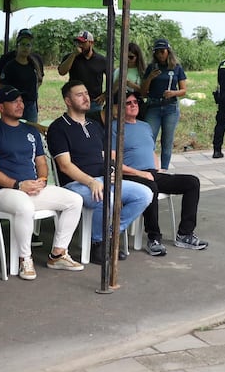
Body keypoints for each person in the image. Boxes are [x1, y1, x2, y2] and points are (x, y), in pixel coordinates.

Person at [0, 86, 85, 280]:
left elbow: (41, 162)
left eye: (21, 101)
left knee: (75, 200)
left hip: (33, 189)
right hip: (4, 192)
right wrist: (18, 185)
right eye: (14, 101)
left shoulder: (30, 131)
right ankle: (25, 259)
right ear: (0, 107)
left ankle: (58, 254)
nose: (20, 105)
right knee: (25, 206)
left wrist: (42, 180)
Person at [45, 81, 151, 265]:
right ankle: (97, 244)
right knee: (105, 198)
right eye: (79, 95)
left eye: (86, 93)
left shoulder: (94, 126)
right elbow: (65, 166)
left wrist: (111, 171)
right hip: (75, 184)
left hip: (102, 179)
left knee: (144, 194)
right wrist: (90, 182)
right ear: (68, 101)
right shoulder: (58, 127)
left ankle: (108, 235)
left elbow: (104, 157)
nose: (86, 98)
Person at [115, 91, 208, 254]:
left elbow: (151, 151)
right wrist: (140, 173)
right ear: (119, 107)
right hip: (131, 175)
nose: (133, 105)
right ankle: (154, 238)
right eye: (128, 103)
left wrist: (157, 168)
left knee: (192, 182)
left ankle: (185, 234)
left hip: (152, 173)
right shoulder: (115, 128)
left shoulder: (145, 126)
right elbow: (113, 159)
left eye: (135, 102)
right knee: (151, 187)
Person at [140, 38, 188, 170]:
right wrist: (150, 77)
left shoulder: (177, 68)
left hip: (170, 107)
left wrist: (173, 93)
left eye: (163, 51)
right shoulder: (151, 67)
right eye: (157, 52)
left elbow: (184, 90)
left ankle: (165, 169)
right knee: (149, 139)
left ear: (168, 52)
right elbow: (143, 92)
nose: (160, 54)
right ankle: (150, 167)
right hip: (153, 106)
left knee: (167, 141)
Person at [0, 28, 44, 122]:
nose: (25, 47)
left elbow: (39, 79)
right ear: (17, 45)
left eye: (28, 45)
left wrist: (31, 92)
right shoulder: (8, 63)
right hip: (13, 103)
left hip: (30, 105)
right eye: (22, 44)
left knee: (31, 131)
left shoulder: (35, 61)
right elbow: (1, 83)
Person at [57, 30, 108, 116]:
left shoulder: (101, 60)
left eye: (83, 43)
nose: (80, 45)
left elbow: (113, 77)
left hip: (94, 102)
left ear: (91, 43)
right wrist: (73, 55)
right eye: (78, 42)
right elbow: (62, 72)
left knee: (94, 127)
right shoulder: (71, 57)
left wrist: (105, 94)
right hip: (76, 101)